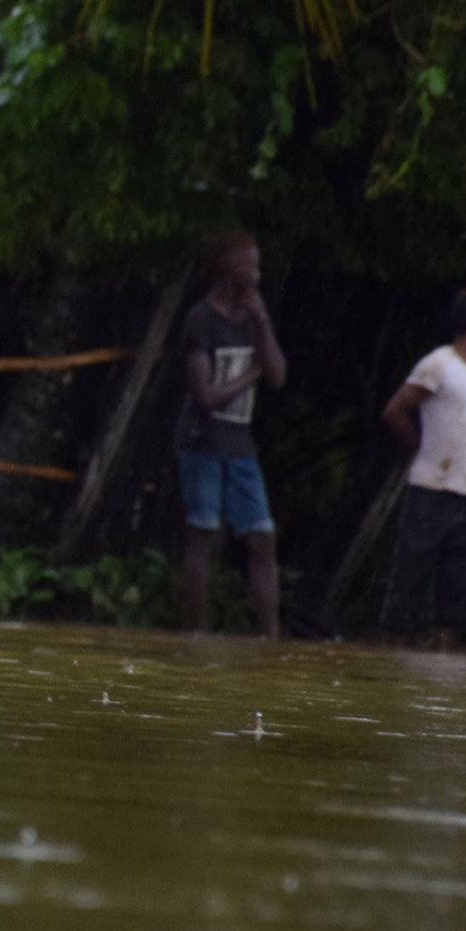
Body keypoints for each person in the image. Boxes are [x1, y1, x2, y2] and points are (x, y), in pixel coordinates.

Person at [380, 288, 466, 647]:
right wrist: (421, 448)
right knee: (411, 585)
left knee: (461, 592)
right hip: (429, 488)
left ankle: (445, 665)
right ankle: (401, 657)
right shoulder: (439, 365)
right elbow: (396, 410)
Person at [176, 229, 289, 638]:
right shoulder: (201, 320)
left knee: (261, 538)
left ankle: (270, 635)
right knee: (203, 532)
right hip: (203, 445)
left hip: (242, 447)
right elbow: (205, 396)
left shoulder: (254, 319)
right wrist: (251, 374)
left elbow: (277, 375)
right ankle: (197, 631)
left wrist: (260, 321)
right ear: (230, 270)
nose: (257, 275)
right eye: (251, 266)